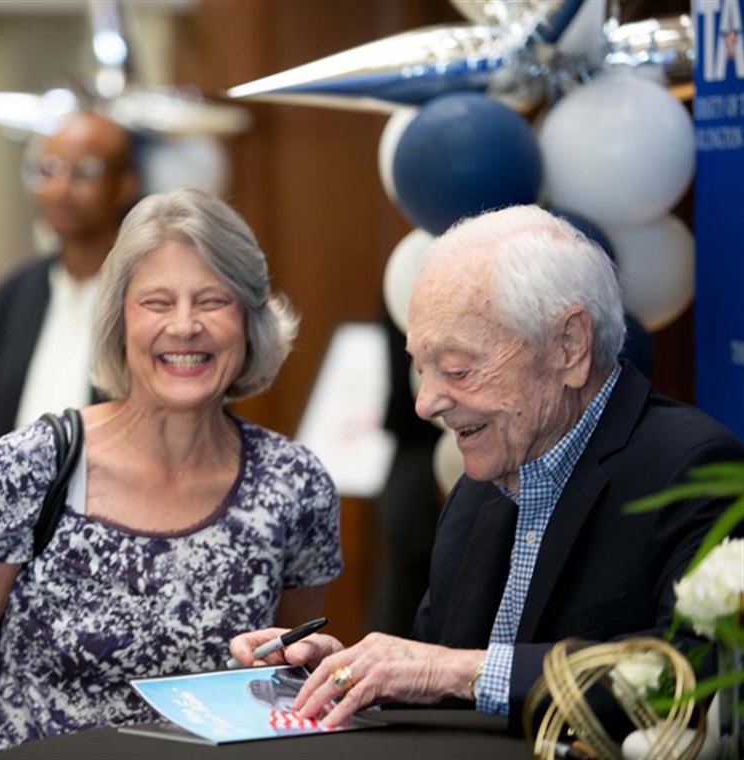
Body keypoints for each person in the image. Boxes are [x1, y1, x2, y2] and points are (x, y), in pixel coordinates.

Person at [229, 205, 744, 733]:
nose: (425, 403)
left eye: (457, 369)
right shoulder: (477, 492)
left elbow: (691, 675)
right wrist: (343, 675)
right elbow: (439, 686)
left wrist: (449, 670)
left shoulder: (690, 467)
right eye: (421, 368)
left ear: (569, 346)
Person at [0, 188, 343, 757]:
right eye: (157, 302)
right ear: (119, 318)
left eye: (212, 300)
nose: (185, 326)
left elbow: (284, 674)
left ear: (249, 321)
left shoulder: (296, 485)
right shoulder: (36, 464)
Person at [0, 109, 140, 532]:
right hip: (2, 549)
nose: (61, 188)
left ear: (125, 185)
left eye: (84, 171)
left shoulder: (151, 309)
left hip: (115, 546)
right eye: (48, 170)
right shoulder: (1, 305)